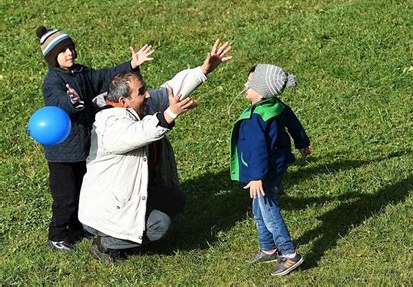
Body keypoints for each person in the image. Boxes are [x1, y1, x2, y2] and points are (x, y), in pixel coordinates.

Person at [78, 39, 232, 262]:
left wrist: (203, 70)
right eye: (141, 92)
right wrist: (170, 114)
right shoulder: (108, 125)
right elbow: (139, 133)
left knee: (175, 199)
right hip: (107, 210)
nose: (148, 95)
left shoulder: (141, 105)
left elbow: (169, 89)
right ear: (124, 100)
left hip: (127, 196)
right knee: (160, 225)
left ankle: (126, 232)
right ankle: (105, 242)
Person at [36, 25, 155, 251]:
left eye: (70, 48)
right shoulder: (53, 81)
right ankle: (57, 235)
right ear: (53, 58)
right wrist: (71, 102)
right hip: (62, 153)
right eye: (62, 51)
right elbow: (58, 103)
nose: (69, 53)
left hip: (83, 147)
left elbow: (103, 76)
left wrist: (131, 66)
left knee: (82, 190)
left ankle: (76, 227)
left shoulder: (81, 72)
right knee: (65, 197)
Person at [229, 64, 311, 276]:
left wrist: (257, 177)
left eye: (250, 82)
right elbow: (294, 124)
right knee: (259, 208)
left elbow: (258, 151)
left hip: (263, 172)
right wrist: (302, 142)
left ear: (261, 89)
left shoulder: (255, 119)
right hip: (277, 166)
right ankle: (269, 248)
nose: (245, 85)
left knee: (269, 210)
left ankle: (290, 255)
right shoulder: (276, 106)